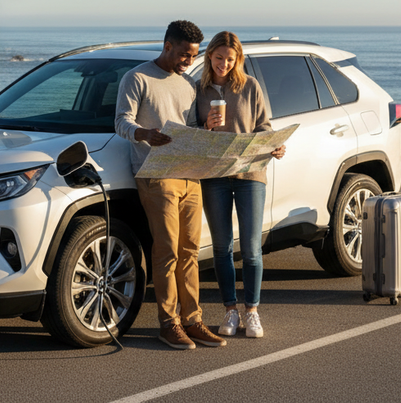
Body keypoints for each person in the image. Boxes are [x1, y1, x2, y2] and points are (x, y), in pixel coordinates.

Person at [115, 20, 225, 351]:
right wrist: (144, 134)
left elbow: (189, 127)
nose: (189, 62)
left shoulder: (188, 84)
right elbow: (121, 121)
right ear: (167, 46)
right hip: (155, 173)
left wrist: (205, 128)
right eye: (184, 55)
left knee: (189, 250)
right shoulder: (137, 78)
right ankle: (168, 323)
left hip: (189, 173)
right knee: (166, 251)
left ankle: (193, 320)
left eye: (193, 56)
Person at [197, 31, 286, 339]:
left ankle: (252, 311)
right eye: (219, 57)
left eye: (230, 59)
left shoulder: (250, 86)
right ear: (209, 55)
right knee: (221, 247)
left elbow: (264, 126)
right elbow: (189, 130)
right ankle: (230, 310)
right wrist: (203, 126)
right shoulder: (199, 89)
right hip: (215, 176)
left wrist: (274, 145)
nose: (223, 64)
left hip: (250, 175)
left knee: (250, 248)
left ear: (238, 60)